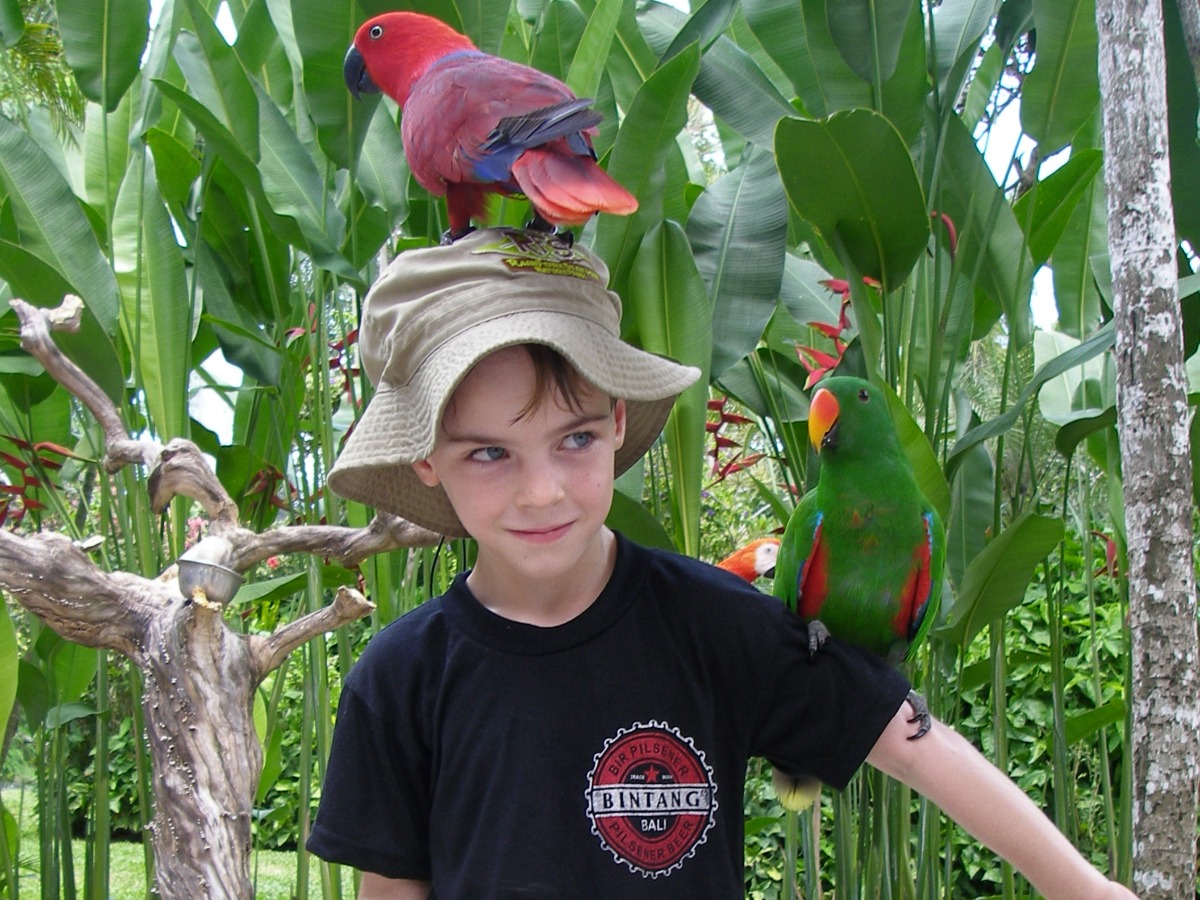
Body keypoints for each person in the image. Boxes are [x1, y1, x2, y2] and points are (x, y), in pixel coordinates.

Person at [306, 227, 1137, 900]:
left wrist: (1088, 889)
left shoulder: (716, 624)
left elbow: (914, 742)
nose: (542, 491)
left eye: (575, 439)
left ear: (618, 421)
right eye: (490, 452)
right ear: (426, 460)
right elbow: (392, 887)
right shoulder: (399, 677)